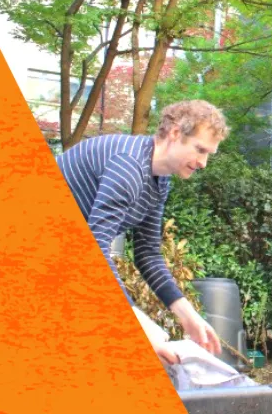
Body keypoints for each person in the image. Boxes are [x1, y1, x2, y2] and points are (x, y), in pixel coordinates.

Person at [56, 100, 228, 365]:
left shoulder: (160, 180)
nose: (203, 163)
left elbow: (147, 253)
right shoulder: (129, 167)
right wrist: (139, 323)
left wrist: (187, 315)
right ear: (174, 133)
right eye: (200, 150)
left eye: (209, 154)